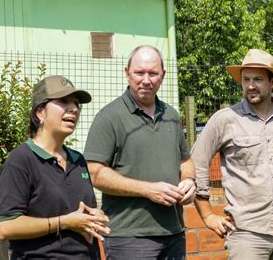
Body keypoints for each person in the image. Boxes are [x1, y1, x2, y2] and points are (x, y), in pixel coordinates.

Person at [191, 49, 273, 259]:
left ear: (272, 82)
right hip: (247, 233)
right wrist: (207, 215)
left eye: (258, 79)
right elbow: (195, 165)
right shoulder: (224, 120)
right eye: (246, 79)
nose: (251, 85)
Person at [84, 45, 196, 259]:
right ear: (127, 73)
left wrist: (190, 181)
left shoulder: (171, 115)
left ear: (162, 75)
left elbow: (185, 160)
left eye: (153, 73)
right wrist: (147, 190)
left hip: (173, 232)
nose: (146, 80)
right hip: (130, 237)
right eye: (139, 72)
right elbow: (94, 172)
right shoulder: (109, 117)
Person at [0, 76, 110, 259]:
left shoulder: (78, 160)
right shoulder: (20, 160)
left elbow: (84, 213)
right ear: (40, 112)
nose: (73, 108)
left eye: (76, 103)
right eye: (64, 101)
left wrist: (95, 215)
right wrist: (64, 222)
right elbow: (5, 227)